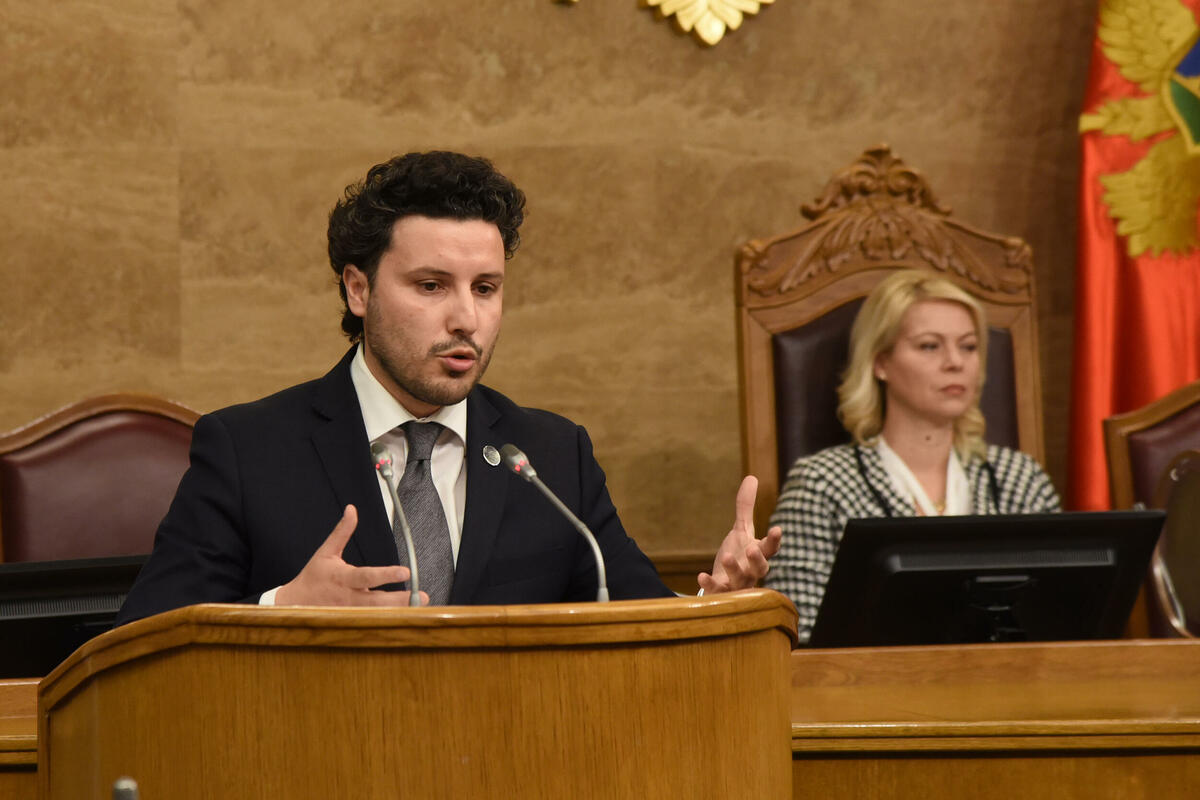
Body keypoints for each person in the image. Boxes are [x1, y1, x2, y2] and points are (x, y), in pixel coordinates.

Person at [117, 151, 780, 624]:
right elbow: (142, 643)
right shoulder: (250, 449)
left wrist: (716, 606)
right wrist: (282, 608)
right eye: (431, 286)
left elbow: (637, 619)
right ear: (358, 290)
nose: (466, 318)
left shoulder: (550, 458)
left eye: (485, 289)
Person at [763, 270, 1060, 642]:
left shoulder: (1021, 477)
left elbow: (1061, 618)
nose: (956, 362)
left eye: (968, 346)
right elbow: (796, 635)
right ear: (880, 362)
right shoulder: (821, 482)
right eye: (930, 346)